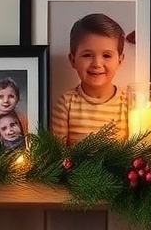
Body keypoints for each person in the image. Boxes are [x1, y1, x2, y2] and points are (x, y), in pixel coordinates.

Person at [51, 13, 129, 145]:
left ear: (120, 61)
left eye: (106, 56)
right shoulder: (66, 104)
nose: (97, 64)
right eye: (87, 55)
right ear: (73, 60)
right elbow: (57, 154)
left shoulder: (129, 103)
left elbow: (135, 151)